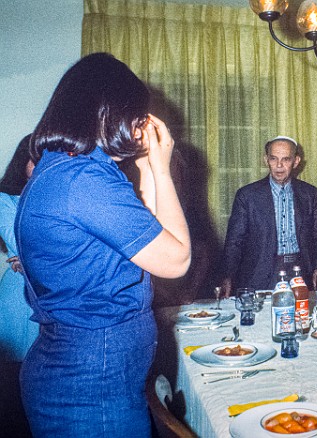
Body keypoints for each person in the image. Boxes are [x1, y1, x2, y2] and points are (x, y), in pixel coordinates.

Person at [14, 53, 191, 436]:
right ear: (110, 112)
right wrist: (161, 167)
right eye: (135, 115)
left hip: (85, 373)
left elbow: (149, 235)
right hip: (91, 385)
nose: (138, 126)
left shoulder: (66, 169)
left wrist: (145, 168)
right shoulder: (82, 180)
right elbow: (176, 259)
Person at [222, 136, 317, 296]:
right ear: (266, 160)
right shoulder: (247, 196)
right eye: (274, 159)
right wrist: (227, 275)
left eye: (286, 159)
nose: (279, 165)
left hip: (301, 271)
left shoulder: (310, 194)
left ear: (296, 161)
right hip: (259, 274)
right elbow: (234, 241)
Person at [0, 135, 37, 362]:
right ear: (23, 161)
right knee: (13, 371)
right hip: (19, 295)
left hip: (50, 294)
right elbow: (20, 243)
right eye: (37, 159)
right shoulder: (5, 200)